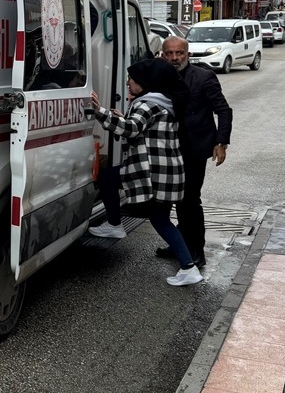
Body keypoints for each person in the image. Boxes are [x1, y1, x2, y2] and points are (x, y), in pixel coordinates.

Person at [87, 58, 203, 287]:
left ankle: (115, 225)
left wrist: (99, 112)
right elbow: (143, 128)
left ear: (145, 81)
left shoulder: (147, 103)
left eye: (131, 78)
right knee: (159, 218)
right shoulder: (163, 101)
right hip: (165, 172)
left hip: (152, 173)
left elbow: (131, 129)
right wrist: (122, 117)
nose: (128, 82)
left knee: (110, 180)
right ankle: (188, 267)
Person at [158, 37, 233, 268]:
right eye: (169, 54)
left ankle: (196, 250)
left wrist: (221, 142)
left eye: (179, 53)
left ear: (187, 54)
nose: (175, 58)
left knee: (189, 201)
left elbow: (223, 110)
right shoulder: (158, 77)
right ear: (163, 55)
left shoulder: (203, 77)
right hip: (166, 149)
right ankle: (178, 243)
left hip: (194, 148)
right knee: (170, 199)